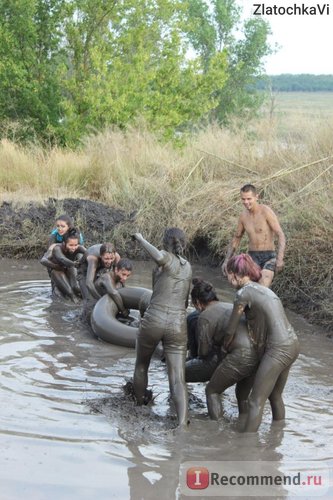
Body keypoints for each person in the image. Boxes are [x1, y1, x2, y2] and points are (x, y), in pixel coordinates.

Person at [224, 253, 300, 432]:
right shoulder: (264, 289)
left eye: (227, 274)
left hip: (278, 350)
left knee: (255, 401)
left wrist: (224, 346)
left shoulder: (243, 294)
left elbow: (230, 330)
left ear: (235, 274)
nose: (227, 279)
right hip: (293, 344)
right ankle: (277, 436)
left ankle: (246, 446)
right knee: (275, 395)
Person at [131, 228, 192, 427]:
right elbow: (184, 303)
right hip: (178, 323)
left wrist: (140, 238)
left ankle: (139, 408)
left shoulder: (163, 260)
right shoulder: (188, 267)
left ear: (164, 243)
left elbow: (158, 257)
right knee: (177, 377)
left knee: (142, 365)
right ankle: (182, 424)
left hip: (154, 318)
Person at [185, 278, 259, 417]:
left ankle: (217, 429)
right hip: (258, 355)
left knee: (212, 391)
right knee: (242, 396)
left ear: (197, 303)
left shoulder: (205, 316)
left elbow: (203, 353)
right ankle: (243, 426)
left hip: (240, 356)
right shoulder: (230, 306)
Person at [221, 184, 286, 287]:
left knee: (263, 285)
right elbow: (237, 238)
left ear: (256, 197)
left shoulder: (266, 211)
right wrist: (226, 260)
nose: (246, 202)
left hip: (268, 256)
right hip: (252, 257)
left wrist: (280, 258)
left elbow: (280, 234)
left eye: (249, 199)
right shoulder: (243, 216)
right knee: (245, 285)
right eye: (243, 199)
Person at [78, 243, 130, 323]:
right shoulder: (93, 258)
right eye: (106, 259)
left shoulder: (116, 257)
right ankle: (83, 320)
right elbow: (89, 283)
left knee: (108, 287)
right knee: (88, 298)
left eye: (111, 258)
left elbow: (119, 276)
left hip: (99, 268)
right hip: (84, 271)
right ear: (101, 256)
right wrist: (101, 300)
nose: (109, 262)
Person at [40, 230, 86, 302]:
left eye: (75, 245)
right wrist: (55, 266)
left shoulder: (79, 248)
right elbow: (61, 259)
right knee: (70, 293)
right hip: (58, 272)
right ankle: (72, 298)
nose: (73, 248)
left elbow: (90, 253)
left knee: (76, 287)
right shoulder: (57, 248)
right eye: (70, 245)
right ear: (64, 243)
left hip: (69, 269)